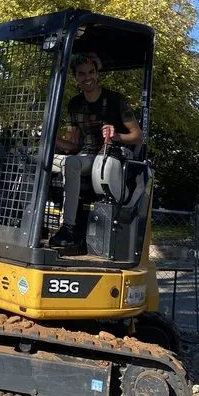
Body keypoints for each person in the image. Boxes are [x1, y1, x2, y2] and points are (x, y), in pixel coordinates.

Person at [49, 53, 143, 250]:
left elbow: (138, 136)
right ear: (76, 77)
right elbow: (73, 144)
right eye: (82, 74)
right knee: (39, 159)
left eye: (91, 72)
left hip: (108, 157)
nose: (87, 77)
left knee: (71, 163)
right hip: (84, 156)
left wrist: (116, 136)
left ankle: (68, 228)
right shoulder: (74, 104)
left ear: (97, 73)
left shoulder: (116, 100)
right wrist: (51, 139)